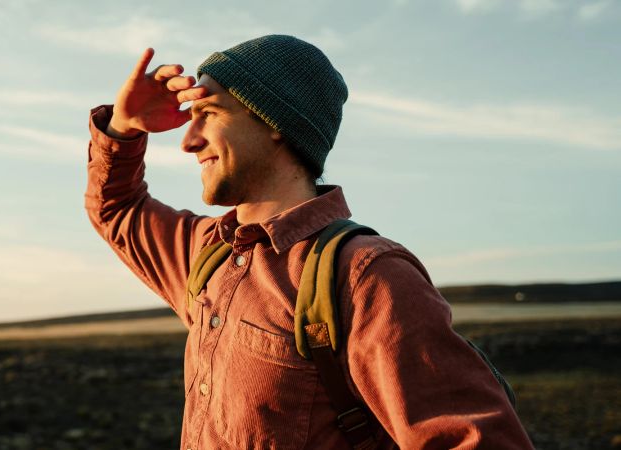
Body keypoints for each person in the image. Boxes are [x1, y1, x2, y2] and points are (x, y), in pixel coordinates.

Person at [85, 35, 534, 449]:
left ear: (275, 122)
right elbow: (116, 209)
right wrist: (124, 129)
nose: (188, 141)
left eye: (209, 114)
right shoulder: (208, 254)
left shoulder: (368, 277)